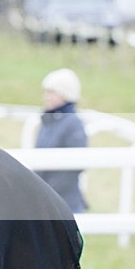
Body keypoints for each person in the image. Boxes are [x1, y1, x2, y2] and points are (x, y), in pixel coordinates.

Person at [35, 68, 89, 213]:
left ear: (65, 94)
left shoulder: (73, 123)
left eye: (52, 93)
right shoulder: (48, 121)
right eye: (46, 92)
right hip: (45, 198)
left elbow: (75, 165)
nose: (46, 97)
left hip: (64, 201)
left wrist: (47, 191)